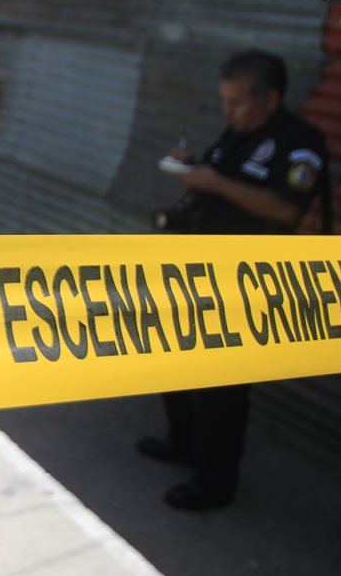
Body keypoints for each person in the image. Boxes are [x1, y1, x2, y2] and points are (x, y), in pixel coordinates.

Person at [141, 49, 330, 511]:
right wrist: (191, 169)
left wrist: (214, 183)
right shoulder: (236, 134)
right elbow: (213, 180)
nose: (227, 112)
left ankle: (214, 483)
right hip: (201, 270)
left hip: (251, 283)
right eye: (223, 102)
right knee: (177, 360)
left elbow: (286, 209)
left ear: (269, 99)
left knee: (221, 387)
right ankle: (182, 443)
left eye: (236, 103)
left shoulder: (300, 142)